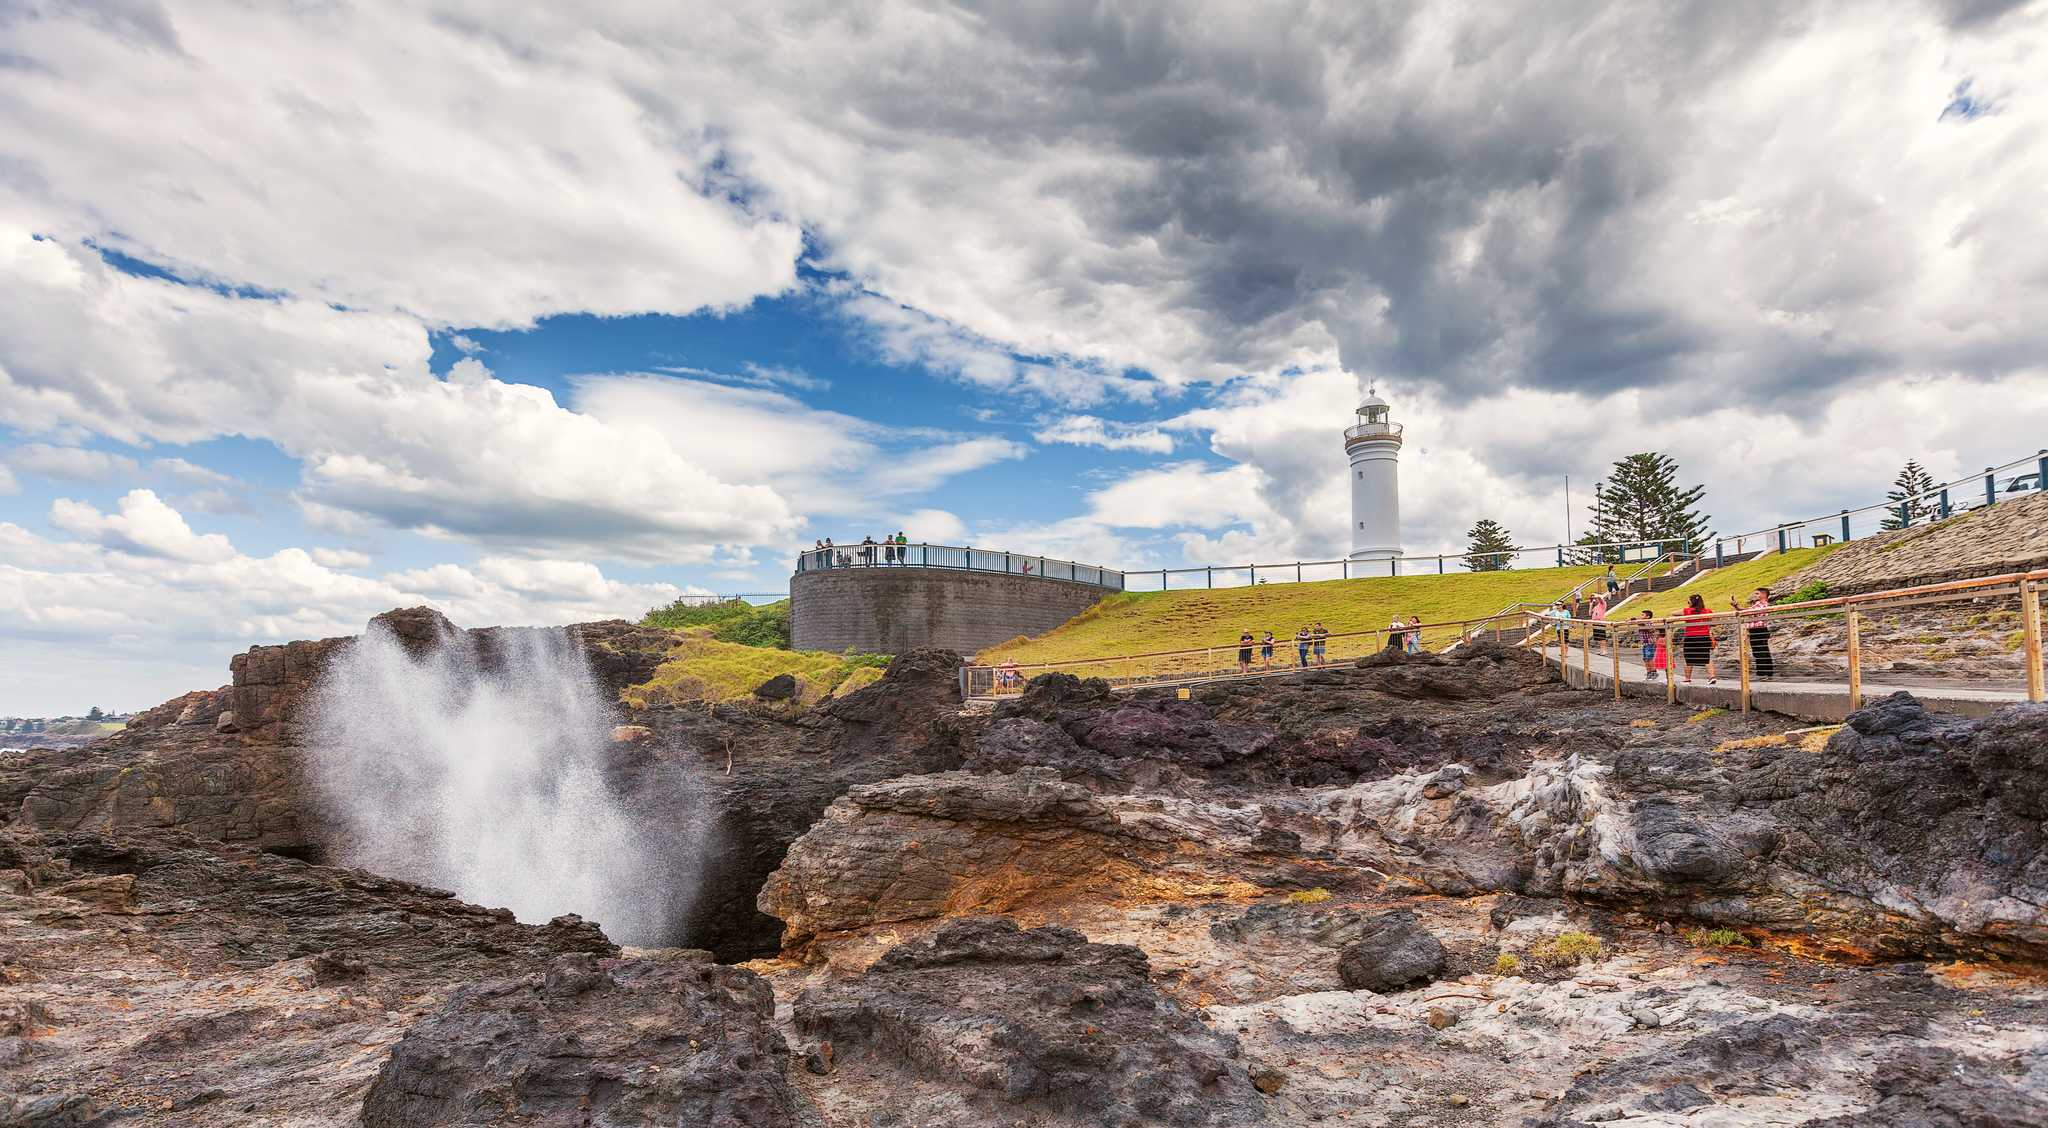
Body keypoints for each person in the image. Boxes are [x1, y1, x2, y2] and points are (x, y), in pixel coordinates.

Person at [1732, 588, 1775, 679]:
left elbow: (1747, 612)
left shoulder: (1762, 604)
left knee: (1760, 652)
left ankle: (1763, 674)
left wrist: (1738, 608)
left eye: (1757, 593)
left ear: (1763, 595)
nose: (1755, 595)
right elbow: (1746, 611)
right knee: (1762, 651)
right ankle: (1767, 673)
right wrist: (1736, 607)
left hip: (1758, 630)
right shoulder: (1758, 604)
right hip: (1759, 630)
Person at [1678, 592, 1716, 684]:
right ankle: (1712, 677)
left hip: (1691, 637)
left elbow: (1673, 613)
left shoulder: (1688, 611)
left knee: (1688, 658)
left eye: (1688, 602)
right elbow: (1712, 621)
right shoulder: (1707, 611)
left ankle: (1687, 678)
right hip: (1704, 636)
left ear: (1692, 602)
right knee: (1706, 657)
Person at [1637, 609, 1659, 677]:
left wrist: (1642, 625)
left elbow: (1651, 630)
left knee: (1649, 658)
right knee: (1645, 658)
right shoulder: (1640, 622)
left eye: (1642, 615)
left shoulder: (1648, 622)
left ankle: (1654, 671)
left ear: (1648, 616)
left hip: (1650, 643)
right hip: (1644, 643)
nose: (1641, 616)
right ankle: (1649, 672)